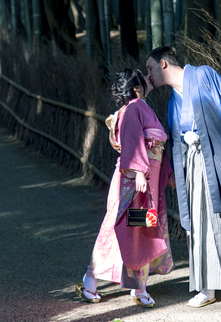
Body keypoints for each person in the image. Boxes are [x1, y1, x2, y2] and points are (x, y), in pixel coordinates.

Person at [146, 46, 221, 310]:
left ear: (164, 64)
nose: (149, 75)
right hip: (192, 164)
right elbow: (173, 142)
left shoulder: (204, 75)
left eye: (150, 69)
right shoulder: (172, 101)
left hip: (218, 159)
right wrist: (176, 172)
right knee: (199, 225)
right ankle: (207, 287)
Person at [75, 68, 175, 307]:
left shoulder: (139, 108)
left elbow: (153, 147)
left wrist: (166, 172)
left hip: (143, 182)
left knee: (140, 231)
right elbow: (132, 141)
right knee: (120, 229)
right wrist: (139, 171)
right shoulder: (134, 108)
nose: (148, 77)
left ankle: (135, 287)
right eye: (143, 75)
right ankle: (93, 280)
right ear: (137, 87)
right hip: (133, 185)